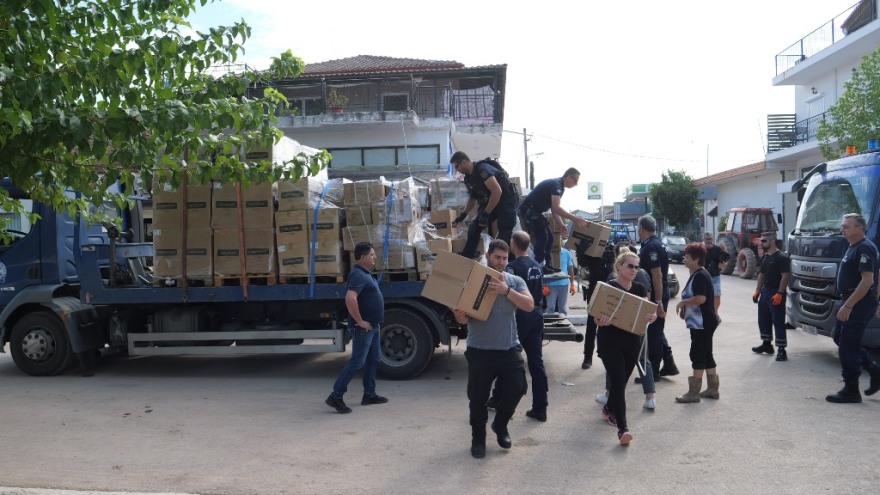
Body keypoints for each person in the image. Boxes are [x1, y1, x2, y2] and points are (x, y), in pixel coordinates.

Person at [453, 239, 534, 458]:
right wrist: (459, 315)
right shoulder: (473, 280)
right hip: (480, 350)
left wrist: (505, 291)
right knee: (477, 398)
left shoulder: (514, 281)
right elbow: (462, 316)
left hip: (508, 348)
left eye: (504, 258)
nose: (500, 262)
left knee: (518, 387)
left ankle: (500, 424)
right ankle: (478, 439)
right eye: (497, 257)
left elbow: (529, 305)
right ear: (488, 256)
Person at [594, 250, 657, 445]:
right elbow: (596, 316)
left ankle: (608, 409)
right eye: (630, 266)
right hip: (610, 342)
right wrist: (601, 320)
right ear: (619, 266)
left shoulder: (639, 288)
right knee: (619, 382)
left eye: (637, 267)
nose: (634, 270)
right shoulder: (609, 288)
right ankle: (623, 429)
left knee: (620, 383)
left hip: (632, 343)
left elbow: (648, 311)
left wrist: (652, 317)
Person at [488, 231, 549, 421]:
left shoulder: (512, 268)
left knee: (507, 358)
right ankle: (540, 407)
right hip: (537, 315)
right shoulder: (537, 266)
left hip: (520, 315)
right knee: (536, 363)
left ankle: (498, 399)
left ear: (513, 245)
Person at [326, 242, 388, 414]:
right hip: (363, 328)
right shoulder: (358, 275)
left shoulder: (367, 275)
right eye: (372, 254)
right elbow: (350, 299)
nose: (375, 257)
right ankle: (336, 396)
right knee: (357, 362)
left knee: (374, 360)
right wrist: (359, 321)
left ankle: (369, 395)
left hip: (373, 327)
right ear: (362, 257)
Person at [826, 214, 880, 403]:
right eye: (842, 226)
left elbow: (868, 280)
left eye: (847, 226)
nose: (842, 229)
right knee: (840, 337)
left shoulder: (865, 247)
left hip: (858, 302)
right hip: (852, 300)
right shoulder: (854, 246)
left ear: (860, 228)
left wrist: (849, 305)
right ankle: (874, 369)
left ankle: (851, 390)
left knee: (847, 344)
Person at [449, 151, 519, 259]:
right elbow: (473, 197)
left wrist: (486, 214)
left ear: (464, 162)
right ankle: (467, 256)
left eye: (457, 166)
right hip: (493, 200)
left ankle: (509, 264)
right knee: (474, 227)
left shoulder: (482, 169)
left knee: (504, 232)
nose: (456, 169)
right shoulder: (468, 178)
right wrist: (462, 216)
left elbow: (497, 191)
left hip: (507, 199)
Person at [674, 243, 721, 403]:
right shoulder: (697, 273)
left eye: (687, 257)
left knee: (697, 354)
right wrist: (685, 308)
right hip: (702, 321)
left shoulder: (700, 275)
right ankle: (712, 390)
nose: (684, 259)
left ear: (696, 260)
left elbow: (701, 299)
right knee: (706, 354)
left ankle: (694, 393)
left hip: (703, 322)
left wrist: (682, 303)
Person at [518, 168, 588, 272]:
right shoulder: (557, 185)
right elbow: (556, 207)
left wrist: (560, 224)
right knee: (543, 237)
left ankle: (546, 265)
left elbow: (554, 209)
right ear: (569, 177)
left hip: (535, 212)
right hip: (530, 211)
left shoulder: (559, 186)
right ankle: (538, 265)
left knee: (550, 238)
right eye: (575, 180)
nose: (576, 184)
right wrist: (574, 218)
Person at [637, 215, 679, 377]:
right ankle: (669, 363)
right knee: (657, 330)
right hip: (657, 293)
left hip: (656, 294)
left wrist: (658, 301)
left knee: (653, 332)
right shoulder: (655, 243)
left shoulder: (651, 247)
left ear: (641, 228)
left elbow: (657, 276)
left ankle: (652, 371)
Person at [751, 231, 791, 362]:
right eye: (761, 241)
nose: (761, 243)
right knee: (763, 319)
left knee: (778, 321)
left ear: (772, 241)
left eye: (764, 241)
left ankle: (781, 350)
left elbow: (786, 276)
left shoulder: (782, 257)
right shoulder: (766, 257)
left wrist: (780, 293)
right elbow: (761, 274)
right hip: (765, 291)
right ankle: (767, 345)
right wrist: (757, 290)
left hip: (775, 292)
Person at [580, 241, 616, 369]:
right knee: (591, 326)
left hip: (610, 292)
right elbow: (583, 263)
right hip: (594, 291)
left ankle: (608, 356)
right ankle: (587, 357)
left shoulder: (612, 250)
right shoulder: (593, 251)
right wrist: (582, 250)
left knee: (610, 326)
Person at [703, 232, 729, 318]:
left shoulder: (717, 249)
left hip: (715, 276)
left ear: (712, 239)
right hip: (703, 277)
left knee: (717, 295)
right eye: (707, 239)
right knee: (702, 296)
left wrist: (723, 264)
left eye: (710, 239)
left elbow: (724, 259)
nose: (709, 241)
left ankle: (715, 313)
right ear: (704, 239)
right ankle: (704, 314)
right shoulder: (700, 249)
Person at [545, 247, 576, 315]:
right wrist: (544, 285)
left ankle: (564, 324)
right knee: (550, 308)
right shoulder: (547, 252)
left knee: (563, 308)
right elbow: (544, 269)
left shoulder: (566, 253)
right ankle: (550, 324)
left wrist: (572, 284)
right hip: (551, 285)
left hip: (564, 284)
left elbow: (570, 270)